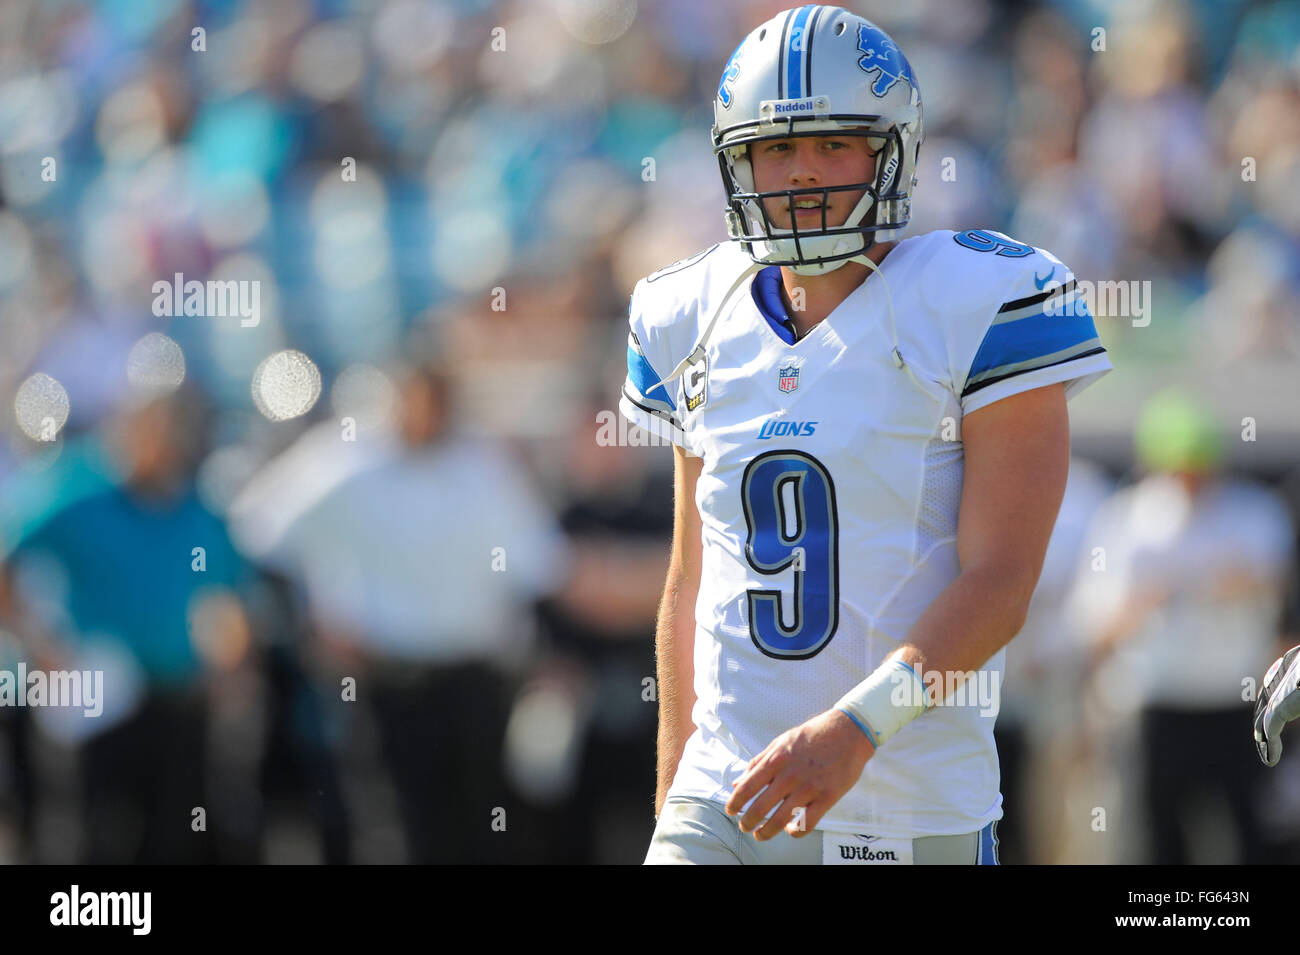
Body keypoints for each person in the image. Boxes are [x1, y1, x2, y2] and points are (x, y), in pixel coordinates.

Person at [618, 5, 1113, 865]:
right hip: (723, 792)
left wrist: (854, 729)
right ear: (737, 163)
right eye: (776, 148)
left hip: (903, 801)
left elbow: (1000, 580)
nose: (802, 174)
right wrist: (672, 798)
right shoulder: (684, 310)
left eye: (832, 144)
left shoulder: (983, 297)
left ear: (893, 151)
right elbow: (688, 577)